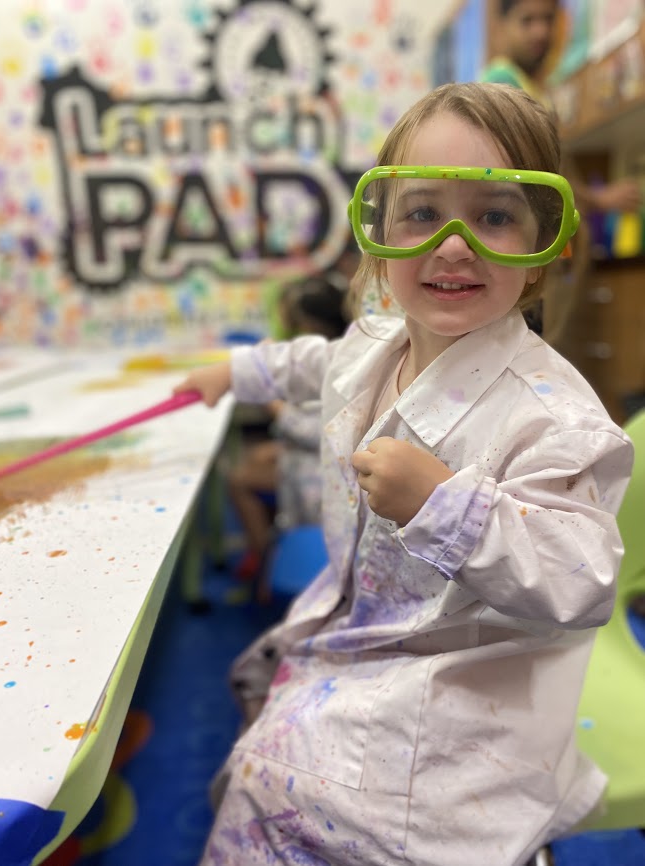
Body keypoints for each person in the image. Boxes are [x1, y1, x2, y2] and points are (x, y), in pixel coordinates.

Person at [176, 82, 634, 866]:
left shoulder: (552, 419)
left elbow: (579, 576)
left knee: (266, 789)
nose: (454, 246)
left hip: (463, 689)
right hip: (366, 634)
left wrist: (444, 505)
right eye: (423, 213)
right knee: (262, 742)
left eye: (493, 216)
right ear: (380, 233)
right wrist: (239, 369)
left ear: (539, 250)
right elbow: (315, 363)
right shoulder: (374, 343)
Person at [480, 0, 642, 347]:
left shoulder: (530, 85)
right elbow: (532, 174)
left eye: (547, 20)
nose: (541, 31)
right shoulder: (503, 84)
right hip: (532, 256)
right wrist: (599, 197)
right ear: (501, 27)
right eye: (527, 21)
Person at [228, 274, 351, 590]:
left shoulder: (332, 363)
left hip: (320, 475)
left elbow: (314, 430)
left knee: (240, 479)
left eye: (294, 323)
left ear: (310, 325)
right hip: (308, 458)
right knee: (252, 460)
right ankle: (269, 550)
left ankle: (267, 561)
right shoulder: (329, 354)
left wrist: (270, 395)